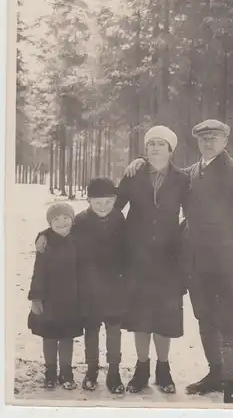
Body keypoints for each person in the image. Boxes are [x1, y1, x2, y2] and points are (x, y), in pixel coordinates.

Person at [124, 119, 233, 404]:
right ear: (196, 142)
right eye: (203, 139)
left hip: (225, 259)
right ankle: (215, 373)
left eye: (214, 138)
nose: (208, 143)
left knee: (228, 319)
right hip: (194, 260)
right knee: (205, 317)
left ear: (225, 141)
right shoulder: (191, 173)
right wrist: (141, 161)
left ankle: (231, 381)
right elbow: (164, 171)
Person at [115, 125, 189, 394]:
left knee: (165, 316)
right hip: (136, 257)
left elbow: (195, 214)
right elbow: (113, 209)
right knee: (140, 315)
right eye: (151, 144)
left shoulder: (182, 179)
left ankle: (163, 368)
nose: (155, 148)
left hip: (169, 259)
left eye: (161, 144)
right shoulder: (133, 174)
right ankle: (142, 368)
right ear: (145, 150)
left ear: (171, 149)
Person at [35, 178, 128, 395]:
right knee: (92, 330)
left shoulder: (120, 219)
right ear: (88, 201)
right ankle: (92, 370)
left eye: (107, 202)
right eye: (97, 202)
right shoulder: (81, 220)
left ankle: (114, 372)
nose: (103, 207)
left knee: (114, 331)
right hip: (89, 288)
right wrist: (42, 235)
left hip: (115, 286)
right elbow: (60, 229)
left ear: (115, 200)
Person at [28, 202, 83, 390]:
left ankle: (66, 372)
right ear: (49, 223)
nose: (62, 222)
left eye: (66, 218)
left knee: (67, 337)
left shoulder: (78, 239)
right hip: (49, 300)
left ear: (72, 220)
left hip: (71, 300)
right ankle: (50, 371)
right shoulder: (46, 244)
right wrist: (36, 298)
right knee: (50, 337)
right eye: (56, 219)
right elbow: (39, 273)